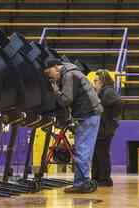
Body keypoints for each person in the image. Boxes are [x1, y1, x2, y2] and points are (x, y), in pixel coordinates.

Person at [44, 59, 103, 193]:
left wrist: (55, 90)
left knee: (82, 150)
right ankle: (80, 183)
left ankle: (83, 183)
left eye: (50, 73)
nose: (50, 77)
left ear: (55, 67)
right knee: (82, 149)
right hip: (89, 114)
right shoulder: (73, 72)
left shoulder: (69, 75)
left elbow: (66, 99)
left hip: (87, 115)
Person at [91, 69, 122, 187]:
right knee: (98, 153)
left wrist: (112, 119)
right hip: (104, 127)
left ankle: (104, 179)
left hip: (105, 128)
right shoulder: (105, 91)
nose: (95, 83)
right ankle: (97, 178)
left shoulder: (108, 92)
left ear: (103, 81)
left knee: (102, 153)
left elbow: (118, 102)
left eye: (96, 81)